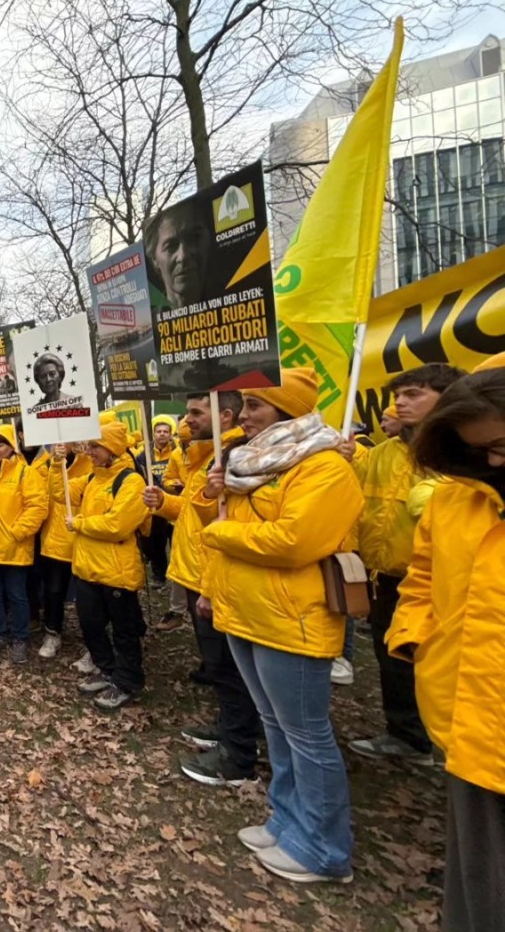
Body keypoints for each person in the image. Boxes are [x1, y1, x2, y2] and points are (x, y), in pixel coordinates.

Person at [198, 368, 361, 884]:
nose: (243, 416)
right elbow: (223, 531)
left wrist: (222, 530)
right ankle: (287, 821)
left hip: (293, 619)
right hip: (246, 613)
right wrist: (217, 499)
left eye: (255, 406)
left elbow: (294, 542)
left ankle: (324, 849)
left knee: (306, 734)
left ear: (287, 410)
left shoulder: (325, 467)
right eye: (245, 405)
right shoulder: (249, 466)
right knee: (275, 726)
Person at [389, 364, 505, 929]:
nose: (495, 463)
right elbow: (422, 578)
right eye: (478, 451)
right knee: (479, 889)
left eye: (502, 446)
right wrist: (417, 641)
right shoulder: (454, 499)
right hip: (465, 716)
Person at [348, 363, 464, 764]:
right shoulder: (382, 453)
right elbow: (354, 496)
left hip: (441, 583)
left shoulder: (462, 453)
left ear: (447, 398)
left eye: (414, 394)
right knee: (391, 658)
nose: (400, 402)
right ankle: (407, 737)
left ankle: (456, 746)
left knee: (441, 665)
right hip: (385, 578)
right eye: (398, 395)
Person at [144, 391, 260, 787]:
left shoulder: (235, 457)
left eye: (195, 412)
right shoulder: (206, 457)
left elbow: (228, 520)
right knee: (220, 666)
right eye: (187, 412)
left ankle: (239, 752)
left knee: (230, 667)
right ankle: (231, 726)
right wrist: (164, 501)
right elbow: (193, 510)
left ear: (224, 415)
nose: (186, 420)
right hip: (198, 575)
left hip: (216, 578)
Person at [55, 421, 150, 710]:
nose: (90, 451)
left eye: (96, 446)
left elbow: (118, 525)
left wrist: (80, 523)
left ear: (113, 448)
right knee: (91, 625)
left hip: (116, 571)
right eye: (90, 445)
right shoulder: (92, 479)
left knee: (124, 631)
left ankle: (127, 681)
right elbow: (60, 493)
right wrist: (56, 463)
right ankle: (106, 668)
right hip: (87, 569)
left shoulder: (131, 481)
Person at [0, 424, 47, 664]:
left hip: (15, 547)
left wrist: (17, 532)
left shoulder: (26, 473)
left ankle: (20, 638)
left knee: (17, 595)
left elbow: (37, 507)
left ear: (12, 446)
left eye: (0, 444)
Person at [37, 443, 90, 659]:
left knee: (88, 595)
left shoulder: (91, 462)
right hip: (55, 537)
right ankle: (52, 632)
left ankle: (92, 640)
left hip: (84, 536)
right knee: (53, 590)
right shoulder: (43, 463)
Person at [134, 415, 176, 592]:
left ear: (171, 434)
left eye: (165, 431)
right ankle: (159, 576)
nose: (162, 434)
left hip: (175, 503)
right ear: (153, 434)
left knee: (176, 544)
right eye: (159, 431)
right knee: (156, 544)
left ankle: (178, 579)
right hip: (155, 506)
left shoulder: (178, 452)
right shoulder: (143, 455)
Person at [146, 200, 208, 311]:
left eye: (193, 238)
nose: (183, 256)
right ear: (154, 259)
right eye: (171, 246)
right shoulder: (150, 322)